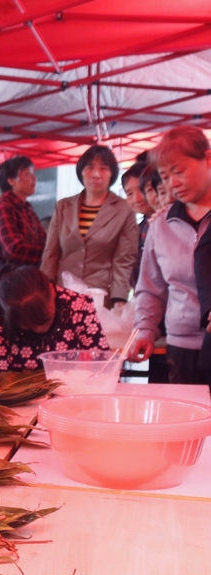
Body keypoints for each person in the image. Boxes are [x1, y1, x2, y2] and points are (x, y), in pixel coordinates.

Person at [132, 126, 211, 385]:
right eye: (165, 177)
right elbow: (150, 289)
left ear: (208, 160)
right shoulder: (161, 225)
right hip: (180, 346)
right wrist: (145, 330)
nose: (173, 183)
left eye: (179, 171)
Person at [40, 146, 139, 308]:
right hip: (62, 294)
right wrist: (45, 290)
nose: (96, 174)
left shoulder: (124, 210)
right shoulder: (63, 206)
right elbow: (51, 253)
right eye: (90, 168)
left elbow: (123, 260)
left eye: (103, 168)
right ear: (81, 172)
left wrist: (119, 299)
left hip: (100, 297)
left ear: (112, 173)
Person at [0, 266, 109, 374]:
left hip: (71, 390)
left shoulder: (78, 305)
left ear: (52, 291)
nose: (40, 330)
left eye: (45, 321)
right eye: (29, 325)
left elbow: (103, 365)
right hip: (16, 396)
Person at [0, 155, 48, 266]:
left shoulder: (27, 209)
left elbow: (44, 240)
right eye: (28, 174)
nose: (35, 178)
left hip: (29, 275)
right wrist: (51, 251)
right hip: (11, 279)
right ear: (11, 181)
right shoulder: (4, 207)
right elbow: (14, 250)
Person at [122, 161, 151, 288]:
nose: (137, 199)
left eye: (141, 190)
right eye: (129, 194)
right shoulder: (140, 229)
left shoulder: (171, 224)